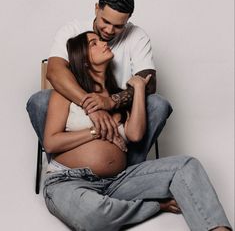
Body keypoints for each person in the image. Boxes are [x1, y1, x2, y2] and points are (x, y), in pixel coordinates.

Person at [43, 31, 232, 231]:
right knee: (92, 215)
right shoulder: (65, 95)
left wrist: (139, 89)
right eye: (94, 43)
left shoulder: (117, 98)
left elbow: (135, 134)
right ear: (84, 61)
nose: (103, 42)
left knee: (186, 165)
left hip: (118, 182)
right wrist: (95, 131)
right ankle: (155, 206)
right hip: (68, 181)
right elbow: (51, 143)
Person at [26, 0, 172, 165]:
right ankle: (61, 166)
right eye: (105, 21)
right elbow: (54, 72)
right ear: (97, 8)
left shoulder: (137, 36)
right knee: (40, 100)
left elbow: (148, 83)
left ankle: (129, 170)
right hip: (80, 105)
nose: (110, 31)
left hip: (121, 110)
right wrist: (93, 108)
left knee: (158, 104)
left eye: (118, 26)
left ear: (128, 19)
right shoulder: (73, 30)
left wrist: (112, 102)